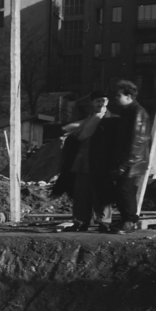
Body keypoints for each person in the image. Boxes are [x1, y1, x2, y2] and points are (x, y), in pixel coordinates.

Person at [102, 79, 151, 233]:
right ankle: (125, 220)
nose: (116, 98)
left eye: (118, 95)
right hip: (129, 161)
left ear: (128, 96)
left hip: (133, 162)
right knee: (122, 191)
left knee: (125, 190)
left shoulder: (137, 113)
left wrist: (124, 164)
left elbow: (136, 141)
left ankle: (130, 222)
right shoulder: (129, 112)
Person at [58, 92, 109, 230]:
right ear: (92, 103)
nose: (101, 104)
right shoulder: (86, 121)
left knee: (101, 194)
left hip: (100, 164)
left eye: (104, 101)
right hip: (82, 163)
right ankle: (80, 222)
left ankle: (103, 222)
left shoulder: (111, 120)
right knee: (81, 194)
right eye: (98, 101)